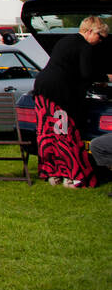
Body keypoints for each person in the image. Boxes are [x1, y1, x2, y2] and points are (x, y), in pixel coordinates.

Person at [31, 16, 108, 188]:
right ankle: (75, 176)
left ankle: (52, 173)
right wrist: (106, 77)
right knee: (66, 135)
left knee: (47, 134)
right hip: (59, 92)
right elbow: (87, 74)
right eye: (100, 37)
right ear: (90, 31)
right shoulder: (85, 46)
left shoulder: (65, 40)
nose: (101, 41)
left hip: (42, 87)